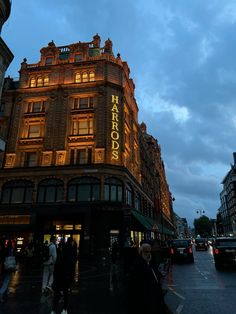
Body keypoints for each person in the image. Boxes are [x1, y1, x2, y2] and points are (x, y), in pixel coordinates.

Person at [126, 242, 168, 314]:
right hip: (145, 296)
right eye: (146, 252)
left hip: (155, 294)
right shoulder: (138, 264)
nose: (148, 254)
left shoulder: (150, 261)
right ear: (141, 252)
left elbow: (155, 273)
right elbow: (136, 281)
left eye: (149, 251)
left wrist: (160, 275)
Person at [50, 238, 75, 314]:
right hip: (66, 279)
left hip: (59, 278)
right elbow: (71, 270)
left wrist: (55, 278)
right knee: (65, 294)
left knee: (57, 295)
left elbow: (56, 270)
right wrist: (71, 279)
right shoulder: (70, 258)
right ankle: (64, 309)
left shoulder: (60, 257)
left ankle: (54, 310)